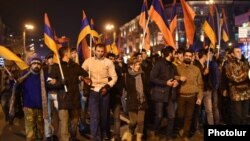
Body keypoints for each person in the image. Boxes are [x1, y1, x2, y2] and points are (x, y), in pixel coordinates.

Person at [49, 47, 90, 141]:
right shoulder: (56, 67)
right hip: (63, 101)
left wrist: (82, 77)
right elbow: (49, 84)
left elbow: (85, 74)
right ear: (66, 54)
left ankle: (73, 137)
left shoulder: (75, 66)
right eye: (70, 52)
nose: (72, 53)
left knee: (74, 124)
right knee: (64, 125)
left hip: (75, 100)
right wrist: (60, 83)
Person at [82, 43, 117, 141]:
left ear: (104, 51)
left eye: (102, 51)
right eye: (98, 51)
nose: (100, 53)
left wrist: (107, 86)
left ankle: (104, 133)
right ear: (94, 50)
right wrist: (84, 78)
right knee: (94, 116)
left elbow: (114, 77)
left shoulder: (108, 62)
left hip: (104, 91)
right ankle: (95, 138)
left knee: (104, 116)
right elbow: (79, 73)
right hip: (93, 91)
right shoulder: (88, 61)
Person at [150, 46, 179, 141]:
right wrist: (165, 83)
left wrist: (176, 82)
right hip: (160, 94)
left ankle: (169, 136)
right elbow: (152, 78)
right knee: (159, 115)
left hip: (170, 95)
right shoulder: (159, 64)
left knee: (172, 116)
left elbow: (175, 77)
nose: (175, 55)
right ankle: (155, 132)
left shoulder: (173, 65)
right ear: (170, 54)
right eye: (174, 53)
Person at [175, 49, 203, 141]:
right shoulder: (178, 67)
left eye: (189, 56)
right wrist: (179, 78)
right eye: (186, 55)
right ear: (183, 56)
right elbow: (172, 76)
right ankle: (180, 128)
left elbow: (200, 84)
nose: (187, 57)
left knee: (189, 116)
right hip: (181, 96)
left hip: (192, 97)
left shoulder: (196, 69)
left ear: (192, 58)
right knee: (180, 115)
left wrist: (199, 97)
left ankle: (185, 135)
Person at [18, 57, 45, 141]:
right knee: (30, 130)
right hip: (28, 106)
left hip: (40, 107)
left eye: (38, 64)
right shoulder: (25, 75)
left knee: (40, 129)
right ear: (31, 65)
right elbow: (17, 86)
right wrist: (13, 81)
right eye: (34, 63)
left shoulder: (43, 75)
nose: (36, 65)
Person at [122, 57, 147, 141]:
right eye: (136, 65)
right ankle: (129, 132)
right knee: (133, 121)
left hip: (141, 101)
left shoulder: (143, 74)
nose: (138, 66)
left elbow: (147, 86)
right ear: (131, 66)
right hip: (131, 101)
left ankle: (138, 139)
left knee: (141, 121)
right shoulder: (126, 76)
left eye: (139, 64)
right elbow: (124, 87)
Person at [224, 46, 250, 124]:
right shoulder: (228, 64)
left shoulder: (244, 62)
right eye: (237, 52)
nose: (240, 53)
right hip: (236, 94)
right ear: (232, 54)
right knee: (237, 116)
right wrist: (246, 74)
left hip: (246, 93)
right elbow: (235, 78)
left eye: (240, 51)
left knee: (245, 116)